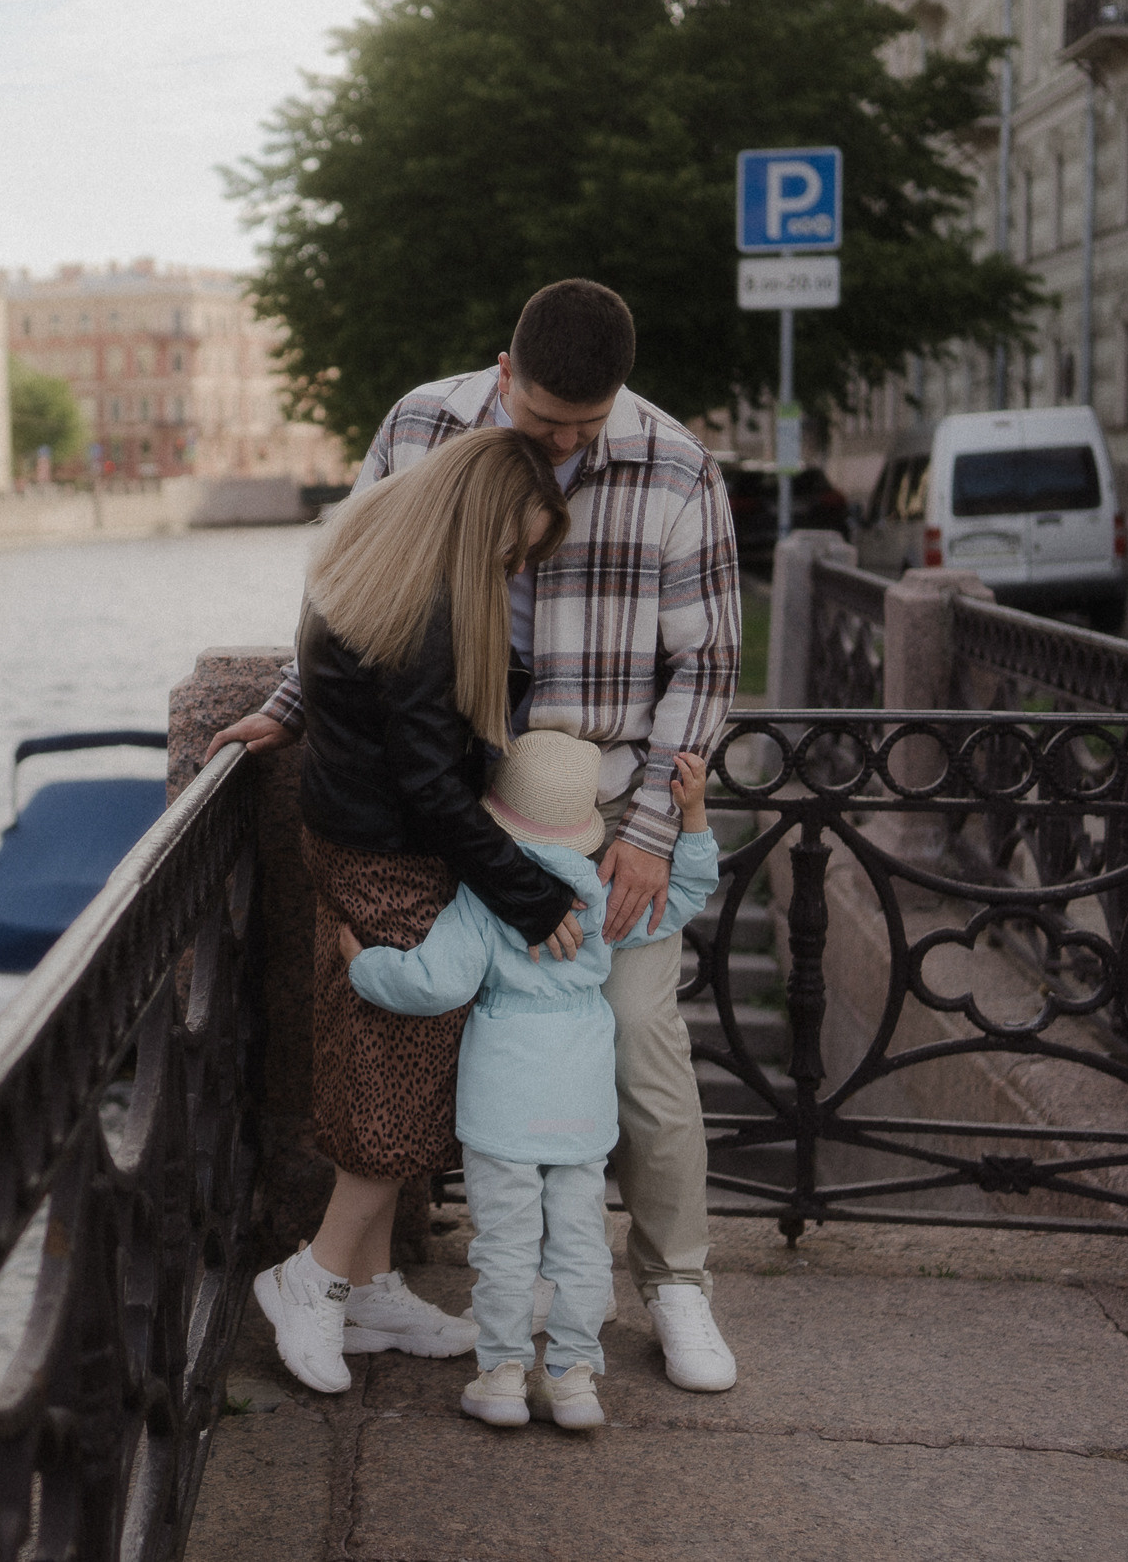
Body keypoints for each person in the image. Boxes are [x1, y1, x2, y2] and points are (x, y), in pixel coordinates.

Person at [214, 278, 745, 1392]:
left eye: (584, 429)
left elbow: (707, 666)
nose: (561, 447)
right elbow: (350, 580)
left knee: (636, 1039)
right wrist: (291, 706)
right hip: (460, 808)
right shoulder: (421, 423)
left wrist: (655, 829)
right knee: (435, 1042)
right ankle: (369, 1278)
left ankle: (676, 1284)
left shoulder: (678, 467)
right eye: (543, 421)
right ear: (505, 374)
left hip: (603, 807)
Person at [247, 426, 582, 1394]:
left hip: (350, 842)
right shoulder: (429, 613)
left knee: (376, 1076)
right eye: (512, 552)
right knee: (398, 1093)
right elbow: (434, 789)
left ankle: (371, 1288)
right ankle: (312, 1279)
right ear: (475, 522)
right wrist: (532, 896)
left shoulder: (362, 570)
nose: (514, 573)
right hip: (392, 863)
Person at [342, 739, 721, 1430]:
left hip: (503, 1104)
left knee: (505, 1245)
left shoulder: (484, 900)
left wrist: (362, 964)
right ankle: (573, 1380)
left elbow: (434, 983)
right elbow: (686, 897)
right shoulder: (601, 894)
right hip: (579, 1103)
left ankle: (502, 1376)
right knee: (580, 1244)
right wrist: (692, 819)